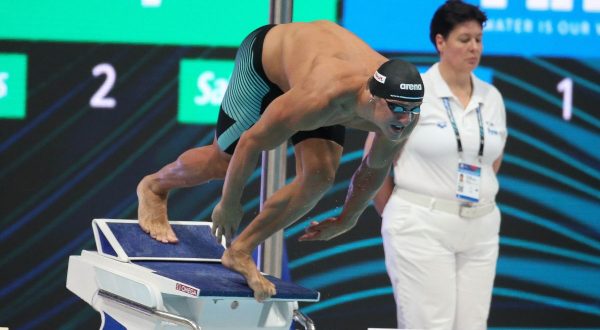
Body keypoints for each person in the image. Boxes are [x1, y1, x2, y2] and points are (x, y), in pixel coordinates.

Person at [136, 20, 424, 302]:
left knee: (318, 177)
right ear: (374, 98)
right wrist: (229, 203)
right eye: (397, 108)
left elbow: (374, 168)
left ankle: (240, 252)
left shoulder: (404, 116)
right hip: (263, 65)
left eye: (412, 110)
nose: (404, 118)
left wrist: (347, 218)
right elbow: (251, 142)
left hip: (309, 74)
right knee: (222, 161)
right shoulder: (321, 97)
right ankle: (154, 186)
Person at [364, 1, 507, 329]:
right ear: (440, 42)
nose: (474, 47)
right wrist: (402, 214)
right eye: (464, 39)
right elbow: (374, 162)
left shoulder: (492, 97)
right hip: (421, 225)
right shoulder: (416, 93)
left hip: (481, 227)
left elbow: (491, 161)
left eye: (478, 39)